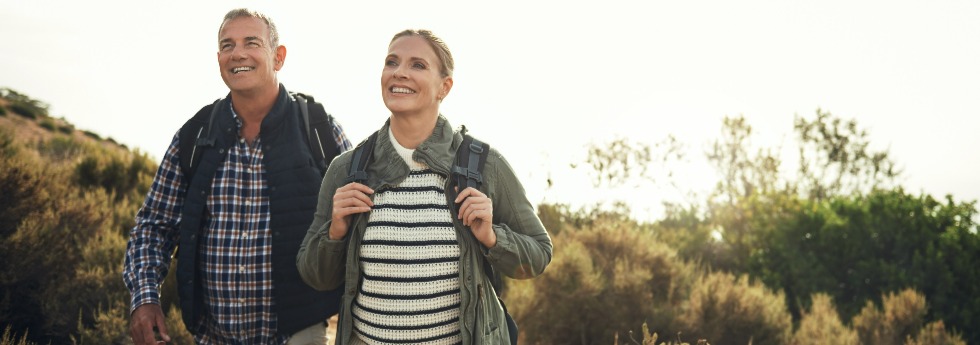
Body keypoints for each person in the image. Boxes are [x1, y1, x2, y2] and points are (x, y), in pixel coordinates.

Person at [297, 29, 553, 344]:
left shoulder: (486, 166)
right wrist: (335, 232)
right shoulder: (347, 170)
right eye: (392, 62)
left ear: (444, 87)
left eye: (417, 65)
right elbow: (315, 276)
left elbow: (539, 255)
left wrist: (491, 237)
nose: (399, 72)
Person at [123, 8, 350, 345]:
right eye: (227, 45)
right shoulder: (193, 135)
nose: (238, 53)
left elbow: (361, 223)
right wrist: (144, 298)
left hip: (299, 332)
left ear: (278, 57)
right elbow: (154, 226)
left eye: (251, 42)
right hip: (213, 335)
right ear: (218, 59)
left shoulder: (319, 129)